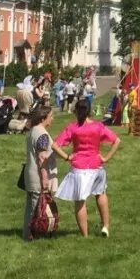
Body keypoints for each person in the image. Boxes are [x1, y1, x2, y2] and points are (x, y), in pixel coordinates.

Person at [54, 99, 120, 237]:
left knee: (80, 201)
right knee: (101, 194)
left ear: (75, 111)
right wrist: (106, 158)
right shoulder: (98, 126)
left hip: (80, 168)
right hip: (97, 166)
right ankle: (106, 226)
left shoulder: (72, 128)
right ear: (90, 110)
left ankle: (85, 235)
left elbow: (55, 145)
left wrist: (67, 157)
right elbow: (116, 140)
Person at [22, 103, 70, 241]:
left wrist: (67, 157)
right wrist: (44, 178)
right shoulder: (42, 134)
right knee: (36, 207)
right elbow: (42, 157)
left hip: (30, 173)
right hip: (37, 175)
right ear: (43, 118)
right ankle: (30, 235)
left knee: (31, 206)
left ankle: (29, 232)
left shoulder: (34, 130)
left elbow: (53, 147)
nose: (52, 119)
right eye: (50, 116)